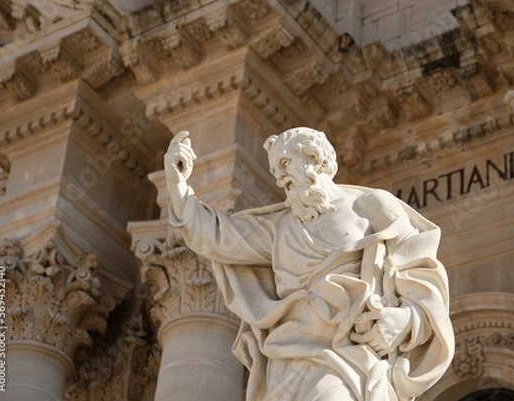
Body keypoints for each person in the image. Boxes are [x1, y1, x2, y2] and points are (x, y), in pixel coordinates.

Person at [164, 127, 454, 401]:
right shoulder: (279, 227)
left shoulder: (372, 205)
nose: (280, 178)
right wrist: (178, 188)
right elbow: (218, 236)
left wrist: (406, 319)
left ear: (313, 157)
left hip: (347, 354)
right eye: (276, 172)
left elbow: (419, 271)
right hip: (286, 358)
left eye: (286, 163)